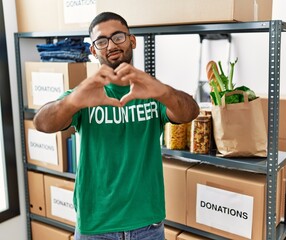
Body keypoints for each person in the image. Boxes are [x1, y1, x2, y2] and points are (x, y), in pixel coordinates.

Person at [33, 12, 199, 240]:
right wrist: (73, 101)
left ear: (132, 40)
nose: (111, 45)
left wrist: (163, 92)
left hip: (147, 226)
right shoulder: (83, 95)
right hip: (96, 226)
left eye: (118, 37)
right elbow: (41, 123)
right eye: (101, 41)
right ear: (93, 51)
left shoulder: (154, 91)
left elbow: (190, 112)